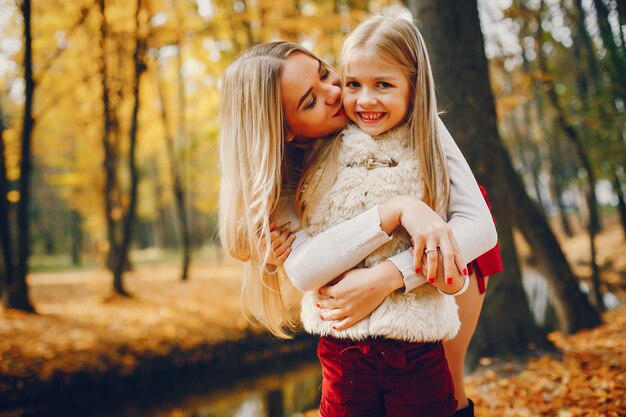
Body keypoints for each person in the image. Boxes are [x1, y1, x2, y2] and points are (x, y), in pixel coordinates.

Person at [218, 26, 499, 417]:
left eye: (324, 73)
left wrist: (388, 276)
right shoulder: (283, 175)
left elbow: (479, 229)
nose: (336, 93)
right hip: (383, 279)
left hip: (451, 238)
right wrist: (394, 211)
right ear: (283, 131)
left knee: (447, 386)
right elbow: (306, 265)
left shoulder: (379, 103)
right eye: (310, 100)